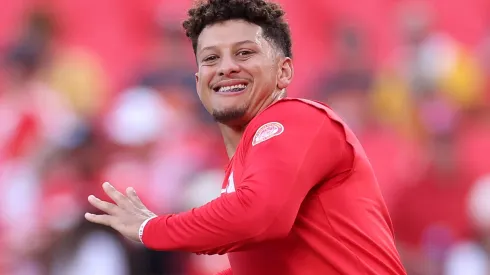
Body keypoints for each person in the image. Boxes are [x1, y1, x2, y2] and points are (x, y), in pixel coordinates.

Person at [85, 0, 407, 274]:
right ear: (198, 81)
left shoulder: (297, 120)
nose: (225, 68)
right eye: (211, 58)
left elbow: (259, 217)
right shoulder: (245, 163)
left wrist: (151, 228)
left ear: (284, 72)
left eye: (244, 53)